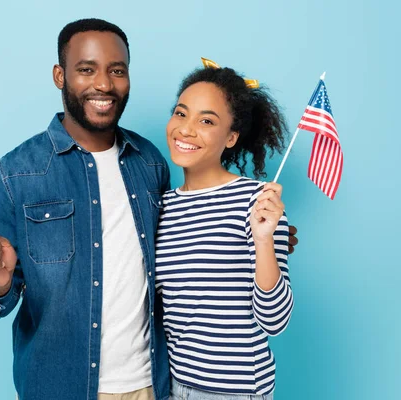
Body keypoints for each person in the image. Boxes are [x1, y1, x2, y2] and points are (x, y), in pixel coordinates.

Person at [0, 18, 298, 400]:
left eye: (117, 71)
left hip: (153, 386)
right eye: (86, 69)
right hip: (61, 388)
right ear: (60, 75)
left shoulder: (150, 164)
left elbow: (195, 248)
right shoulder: (15, 174)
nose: (103, 84)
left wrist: (264, 242)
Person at [155, 65, 294, 400]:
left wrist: (264, 241)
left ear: (231, 137)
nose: (186, 130)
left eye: (206, 121)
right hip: (171, 386)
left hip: (234, 391)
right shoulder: (161, 206)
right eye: (181, 113)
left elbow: (275, 320)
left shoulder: (258, 202)